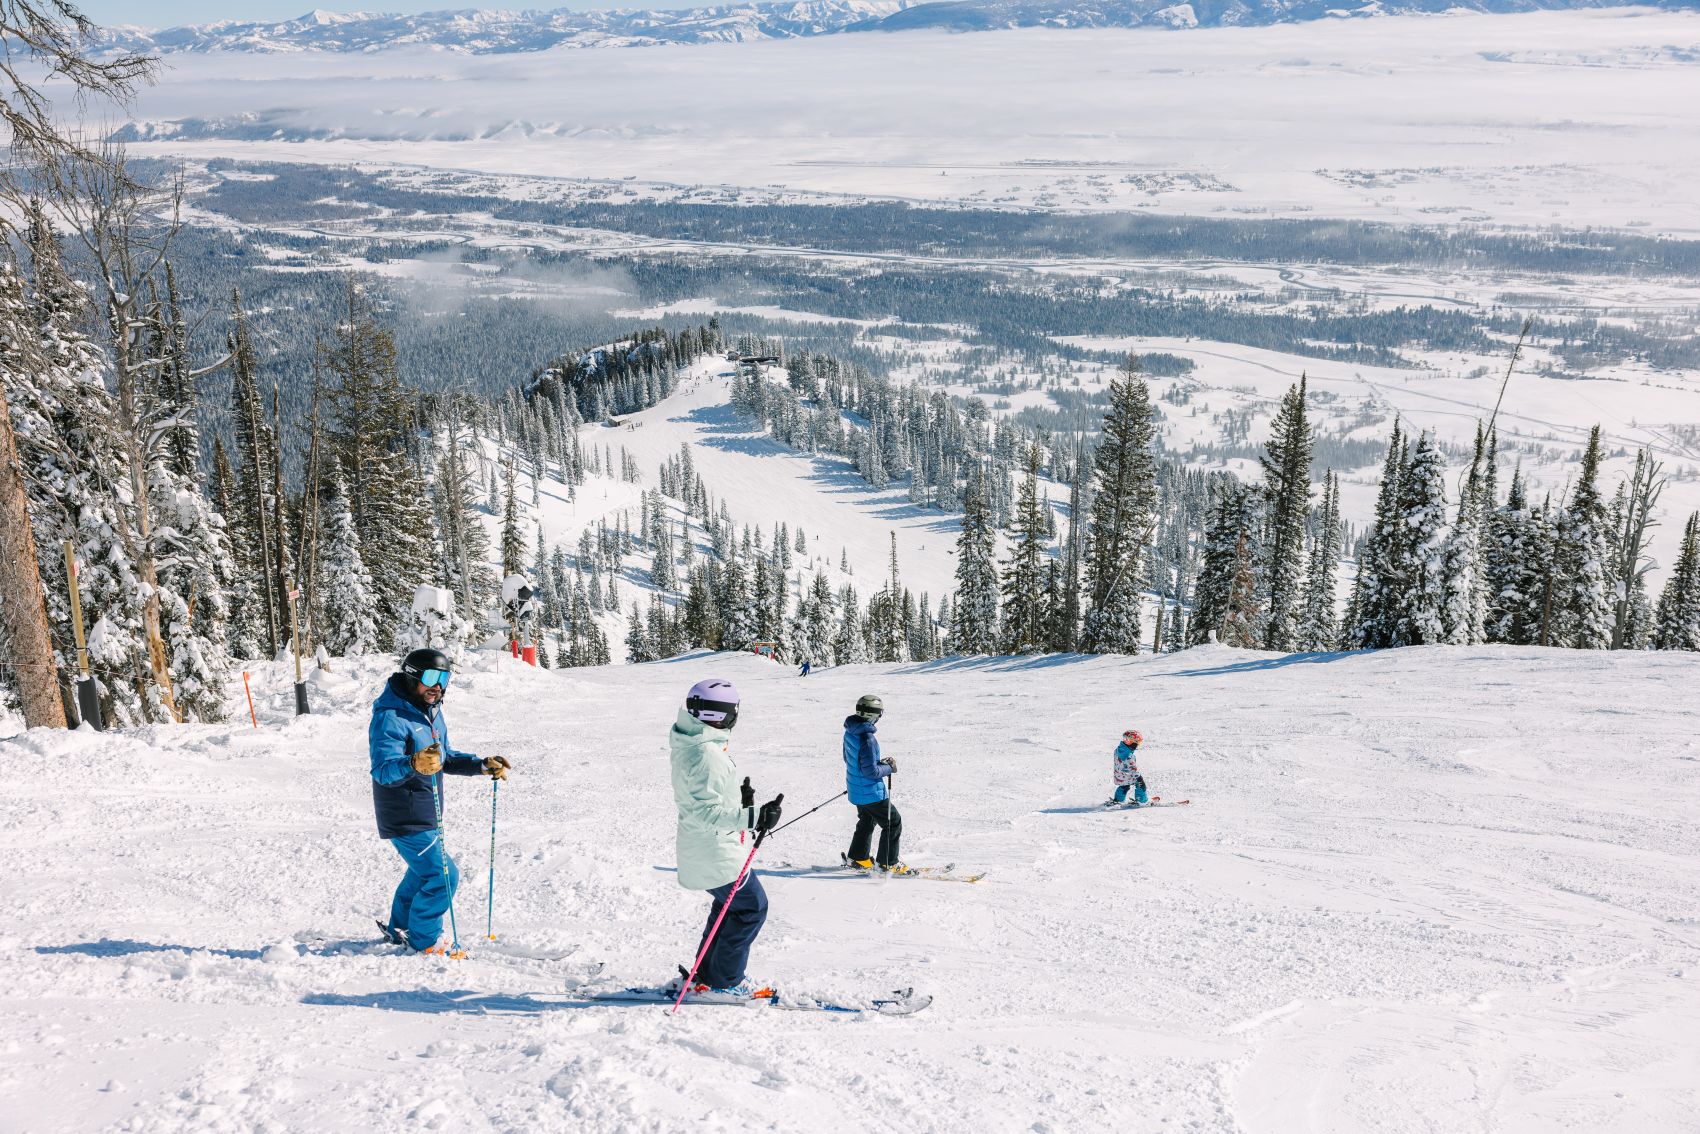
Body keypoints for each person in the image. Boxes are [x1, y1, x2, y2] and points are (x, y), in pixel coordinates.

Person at [369, 648, 511, 954]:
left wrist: (481, 765)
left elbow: (442, 757)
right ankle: (425, 940)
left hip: (426, 812)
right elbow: (383, 770)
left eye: (444, 678)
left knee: (422, 873)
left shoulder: (429, 711)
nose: (438, 686)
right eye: (432, 677)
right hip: (405, 815)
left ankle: (400, 930)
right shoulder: (390, 717)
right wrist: (413, 763)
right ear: (411, 678)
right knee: (443, 875)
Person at [670, 678, 783, 997]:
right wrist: (755, 815)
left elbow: (704, 799)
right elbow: (704, 812)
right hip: (715, 851)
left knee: (729, 907)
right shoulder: (707, 753)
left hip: (707, 848)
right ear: (723, 714)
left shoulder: (691, 741)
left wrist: (739, 800)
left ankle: (706, 974)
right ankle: (726, 981)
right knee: (751, 908)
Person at [843, 693, 905, 874]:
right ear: (873, 715)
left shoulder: (850, 732)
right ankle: (888, 863)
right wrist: (889, 768)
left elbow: (849, 759)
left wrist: (879, 764)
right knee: (893, 822)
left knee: (867, 820)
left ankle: (858, 858)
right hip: (871, 792)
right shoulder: (868, 739)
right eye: (879, 714)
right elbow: (871, 772)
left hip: (857, 789)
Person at [1105, 729, 1148, 806]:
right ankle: (1142, 801)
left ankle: (1118, 800)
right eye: (1137, 743)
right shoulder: (1128, 756)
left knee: (1124, 786)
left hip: (1119, 774)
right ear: (1131, 742)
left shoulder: (1119, 749)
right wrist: (1139, 778)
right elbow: (1133, 769)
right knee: (1140, 784)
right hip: (1127, 774)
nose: (1137, 745)